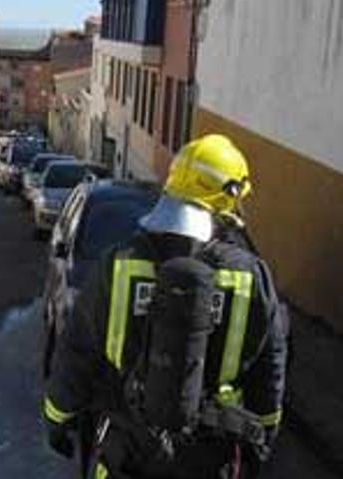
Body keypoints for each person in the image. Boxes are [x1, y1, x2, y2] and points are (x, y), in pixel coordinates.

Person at [43, 135, 289, 479]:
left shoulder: (121, 262)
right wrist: (265, 434)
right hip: (211, 458)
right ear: (228, 199)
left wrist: (58, 417)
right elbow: (270, 367)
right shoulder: (251, 276)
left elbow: (78, 350)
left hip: (125, 453)